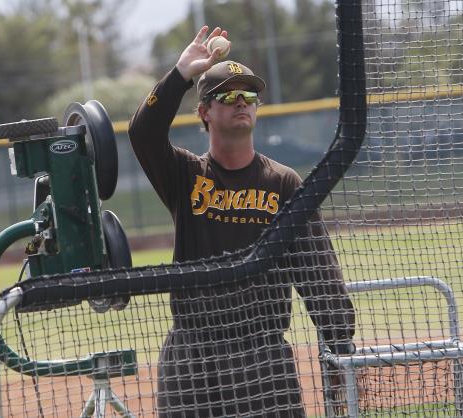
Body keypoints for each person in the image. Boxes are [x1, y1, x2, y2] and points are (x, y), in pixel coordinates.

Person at [128, 26, 356, 417]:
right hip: (192, 355)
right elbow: (143, 133)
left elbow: (317, 268)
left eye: (249, 96)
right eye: (229, 96)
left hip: (262, 355)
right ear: (204, 112)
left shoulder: (283, 183)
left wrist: (339, 340)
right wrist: (181, 74)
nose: (242, 103)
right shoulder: (185, 175)